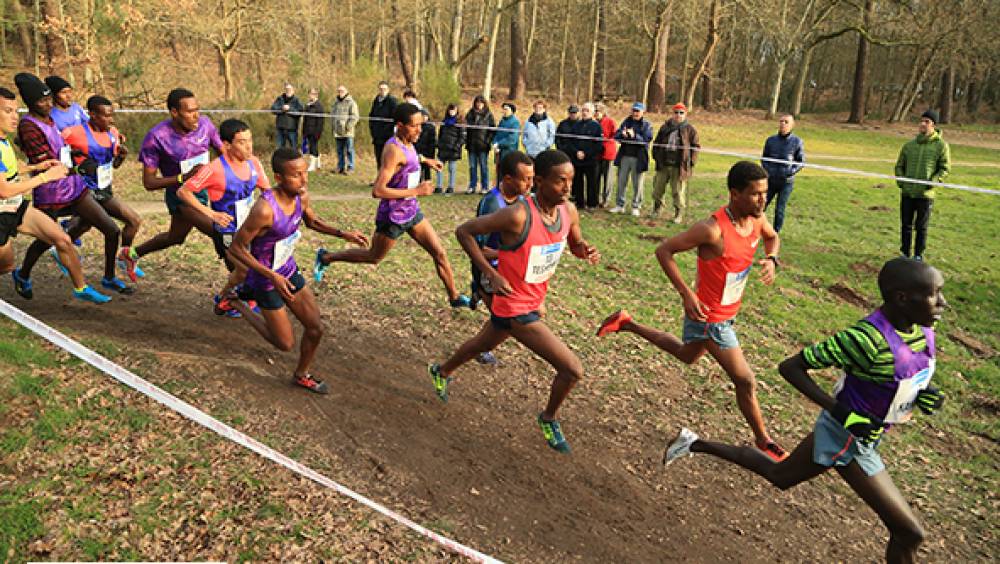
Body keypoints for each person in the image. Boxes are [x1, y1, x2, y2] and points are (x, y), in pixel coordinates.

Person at [663, 257, 946, 564]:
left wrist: (924, 395)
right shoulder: (864, 339)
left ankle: (693, 443)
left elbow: (900, 377)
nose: (942, 303)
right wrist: (844, 414)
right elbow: (791, 367)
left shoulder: (921, 331)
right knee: (909, 533)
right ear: (902, 298)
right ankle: (693, 443)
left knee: (779, 475)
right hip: (848, 441)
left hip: (860, 435)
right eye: (934, 294)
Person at [597, 161, 788, 461]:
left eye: (765, 193)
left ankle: (627, 323)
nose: (763, 200)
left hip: (726, 313)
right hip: (711, 318)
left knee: (687, 355)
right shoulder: (712, 230)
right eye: (755, 194)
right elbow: (664, 251)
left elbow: (772, 237)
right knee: (746, 380)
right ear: (734, 193)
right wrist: (687, 293)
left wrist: (772, 259)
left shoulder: (756, 220)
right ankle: (764, 441)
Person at [429, 149, 600, 453]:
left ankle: (441, 371)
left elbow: (574, 243)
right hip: (514, 306)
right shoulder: (518, 214)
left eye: (570, 181)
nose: (568, 188)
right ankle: (548, 417)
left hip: (533, 299)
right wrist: (489, 273)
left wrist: (584, 249)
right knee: (572, 369)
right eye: (561, 181)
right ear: (541, 181)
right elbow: (464, 232)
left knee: (482, 344)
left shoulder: (568, 211)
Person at [225, 148, 369, 393]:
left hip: (288, 270)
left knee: (315, 328)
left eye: (305, 173)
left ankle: (301, 374)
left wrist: (343, 233)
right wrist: (271, 276)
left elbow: (311, 221)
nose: (303, 180)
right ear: (279, 177)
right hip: (265, 279)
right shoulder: (264, 209)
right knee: (284, 343)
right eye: (296, 175)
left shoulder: (302, 196)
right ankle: (235, 301)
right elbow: (237, 249)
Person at [314, 103, 471, 308]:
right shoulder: (392, 150)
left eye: (420, 125)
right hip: (393, 216)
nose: (419, 130)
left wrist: (426, 160)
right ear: (400, 125)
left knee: (439, 252)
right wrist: (417, 191)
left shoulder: (408, 141)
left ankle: (455, 297)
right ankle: (326, 257)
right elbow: (378, 191)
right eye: (414, 126)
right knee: (373, 257)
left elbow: (409, 158)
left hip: (412, 211)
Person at [11, 73, 115, 303]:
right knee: (45, 240)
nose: (48, 104)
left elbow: (61, 149)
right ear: (30, 103)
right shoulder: (28, 126)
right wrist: (77, 168)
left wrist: (78, 156)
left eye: (49, 99)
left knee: (107, 225)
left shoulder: (50, 119)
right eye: (42, 101)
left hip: (73, 186)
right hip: (50, 190)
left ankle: (74, 250)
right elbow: (46, 161)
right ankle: (23, 273)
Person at [123, 88, 223, 280]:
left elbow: (223, 154)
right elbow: (149, 183)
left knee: (175, 237)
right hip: (180, 197)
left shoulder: (205, 125)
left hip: (204, 192)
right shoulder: (157, 137)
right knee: (220, 233)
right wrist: (182, 178)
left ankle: (132, 253)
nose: (196, 116)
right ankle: (236, 290)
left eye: (197, 110)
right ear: (174, 112)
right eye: (189, 111)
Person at [176, 119, 271, 317]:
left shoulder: (254, 163)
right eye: (242, 142)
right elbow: (183, 192)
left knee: (260, 263)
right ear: (227, 145)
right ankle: (225, 297)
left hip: (249, 227)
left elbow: (267, 191)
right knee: (245, 269)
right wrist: (211, 214)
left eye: (250, 140)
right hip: (228, 231)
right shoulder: (215, 169)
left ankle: (244, 295)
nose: (249, 146)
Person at [60, 96, 143, 286]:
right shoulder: (72, 133)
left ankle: (123, 257)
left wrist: (121, 157)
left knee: (131, 221)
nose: (111, 119)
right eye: (106, 115)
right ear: (93, 115)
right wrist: (73, 166)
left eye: (112, 114)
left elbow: (113, 164)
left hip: (104, 189)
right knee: (112, 231)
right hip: (84, 192)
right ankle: (108, 277)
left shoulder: (112, 132)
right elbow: (58, 156)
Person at [468, 150, 535, 364]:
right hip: (492, 271)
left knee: (506, 314)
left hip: (508, 267)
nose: (531, 184)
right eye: (526, 179)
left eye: (532, 179)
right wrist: (486, 273)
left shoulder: (521, 200)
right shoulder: (493, 204)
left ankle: (478, 292)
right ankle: (480, 348)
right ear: (507, 179)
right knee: (504, 318)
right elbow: (480, 250)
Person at [895, 109, 950, 261]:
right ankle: (904, 253)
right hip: (908, 192)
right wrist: (902, 181)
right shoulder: (909, 146)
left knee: (921, 227)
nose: (922, 124)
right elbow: (899, 166)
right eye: (921, 121)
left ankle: (918, 255)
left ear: (933, 125)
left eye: (927, 122)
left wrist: (932, 183)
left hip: (925, 195)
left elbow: (944, 168)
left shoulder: (941, 146)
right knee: (906, 225)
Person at [651, 102, 700, 223]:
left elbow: (696, 147)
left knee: (677, 192)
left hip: (679, 166)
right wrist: (656, 156)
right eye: (676, 112)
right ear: (672, 114)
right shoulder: (665, 127)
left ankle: (678, 213)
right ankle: (657, 209)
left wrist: (691, 162)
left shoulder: (690, 130)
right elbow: (656, 143)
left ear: (685, 114)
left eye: (681, 113)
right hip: (663, 163)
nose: (678, 115)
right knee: (657, 189)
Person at [761, 114, 805, 233]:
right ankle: (755, 227)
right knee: (761, 205)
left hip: (786, 182)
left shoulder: (797, 142)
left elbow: (801, 162)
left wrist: (788, 173)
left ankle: (775, 232)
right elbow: (764, 158)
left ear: (792, 125)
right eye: (781, 121)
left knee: (780, 209)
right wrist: (768, 171)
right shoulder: (771, 140)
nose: (783, 124)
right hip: (770, 180)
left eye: (786, 122)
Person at [610, 102, 653, 216]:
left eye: (638, 111)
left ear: (643, 112)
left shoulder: (647, 125)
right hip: (624, 156)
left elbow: (646, 139)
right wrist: (622, 135)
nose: (635, 113)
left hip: (638, 158)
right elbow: (616, 136)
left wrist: (634, 136)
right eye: (634, 110)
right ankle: (620, 205)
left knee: (637, 184)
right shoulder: (626, 121)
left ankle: (636, 206)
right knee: (621, 182)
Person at [569, 103, 603, 209]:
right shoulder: (576, 125)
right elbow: (571, 141)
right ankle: (579, 203)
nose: (584, 112)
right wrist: (576, 152)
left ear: (592, 113)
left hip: (591, 159)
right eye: (583, 110)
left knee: (592, 182)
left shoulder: (596, 126)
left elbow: (598, 145)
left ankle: (592, 204)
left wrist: (586, 154)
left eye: (587, 110)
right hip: (577, 158)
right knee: (578, 181)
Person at [464, 95, 495, 194]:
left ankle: (484, 186)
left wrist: (487, 141)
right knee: (472, 166)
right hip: (472, 145)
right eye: (477, 102)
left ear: (484, 104)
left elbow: (492, 130)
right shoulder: (470, 114)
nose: (479, 105)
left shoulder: (488, 115)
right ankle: (472, 186)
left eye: (481, 103)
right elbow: (465, 128)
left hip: (483, 145)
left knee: (483, 166)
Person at [435, 104, 464, 194]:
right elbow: (440, 134)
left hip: (453, 149)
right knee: (439, 167)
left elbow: (462, 137)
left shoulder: (460, 123)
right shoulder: (444, 122)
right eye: (450, 110)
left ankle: (451, 186)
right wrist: (439, 144)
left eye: (453, 111)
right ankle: (439, 186)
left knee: (452, 169)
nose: (452, 112)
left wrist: (456, 147)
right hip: (443, 148)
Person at [368, 81, 398, 170]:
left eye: (384, 89)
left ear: (388, 90)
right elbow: (372, 116)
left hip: (388, 136)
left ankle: (389, 180)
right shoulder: (376, 100)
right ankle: (379, 179)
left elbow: (395, 118)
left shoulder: (392, 101)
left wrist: (389, 131)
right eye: (380, 89)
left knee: (388, 158)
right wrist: (372, 130)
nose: (382, 91)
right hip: (377, 136)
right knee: (379, 158)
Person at [331, 85, 359, 174]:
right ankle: (340, 167)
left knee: (349, 150)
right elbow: (332, 115)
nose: (340, 93)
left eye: (342, 91)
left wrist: (348, 126)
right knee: (339, 150)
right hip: (337, 131)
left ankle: (350, 167)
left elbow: (355, 117)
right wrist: (333, 126)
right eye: (339, 91)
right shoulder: (336, 103)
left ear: (346, 91)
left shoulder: (351, 103)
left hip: (348, 132)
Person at [594, 103, 617, 207]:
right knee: (596, 177)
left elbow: (615, 135)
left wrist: (605, 141)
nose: (595, 113)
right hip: (596, 154)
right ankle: (596, 197)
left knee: (607, 178)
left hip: (608, 153)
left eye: (597, 111)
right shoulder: (593, 123)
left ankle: (606, 199)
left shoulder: (610, 121)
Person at [270, 83, 303, 149]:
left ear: (293, 90)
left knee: (293, 148)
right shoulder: (280, 99)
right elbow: (273, 109)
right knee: (279, 148)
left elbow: (300, 112)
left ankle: (293, 159)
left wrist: (290, 109)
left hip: (292, 129)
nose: (288, 91)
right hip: (280, 129)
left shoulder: (296, 100)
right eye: (287, 89)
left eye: (290, 89)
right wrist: (281, 108)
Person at [301, 88, 325, 171]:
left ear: (316, 95)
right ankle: (318, 164)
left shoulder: (319, 106)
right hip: (308, 130)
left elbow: (320, 121)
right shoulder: (307, 105)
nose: (311, 95)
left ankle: (312, 165)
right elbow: (305, 119)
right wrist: (304, 131)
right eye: (310, 94)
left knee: (313, 148)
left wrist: (318, 132)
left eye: (313, 94)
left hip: (315, 131)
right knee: (313, 147)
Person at [414, 108, 437, 182]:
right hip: (418, 150)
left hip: (428, 151)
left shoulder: (431, 127)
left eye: (425, 116)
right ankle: (418, 183)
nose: (424, 118)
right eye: (422, 116)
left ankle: (428, 183)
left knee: (427, 169)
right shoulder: (417, 126)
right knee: (418, 169)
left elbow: (432, 141)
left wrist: (431, 154)